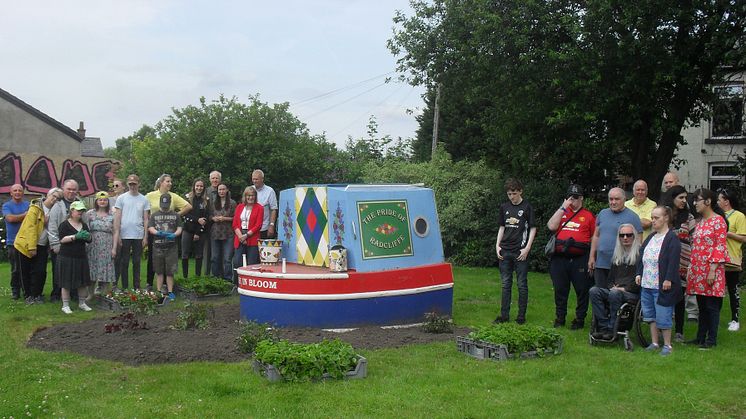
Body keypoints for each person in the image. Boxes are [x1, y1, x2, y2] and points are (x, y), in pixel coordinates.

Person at [547, 184, 596, 329]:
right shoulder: (562, 212)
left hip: (579, 258)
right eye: (570, 197)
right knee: (560, 289)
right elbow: (551, 226)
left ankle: (580, 319)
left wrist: (592, 257)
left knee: (582, 290)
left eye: (575, 197)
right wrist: (563, 207)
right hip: (560, 258)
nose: (572, 200)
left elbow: (594, 237)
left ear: (581, 198)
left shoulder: (588, 216)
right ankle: (560, 317)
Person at [635, 206, 681, 356]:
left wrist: (668, 279)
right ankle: (654, 342)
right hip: (647, 283)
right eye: (652, 217)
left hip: (662, 285)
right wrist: (639, 273)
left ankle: (667, 345)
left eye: (656, 218)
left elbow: (673, 261)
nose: (653, 221)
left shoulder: (671, 238)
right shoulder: (651, 237)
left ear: (666, 218)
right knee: (650, 315)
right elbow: (642, 255)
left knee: (664, 314)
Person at [687, 188, 729, 349]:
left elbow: (720, 246)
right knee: (702, 305)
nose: (695, 203)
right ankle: (700, 337)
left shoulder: (718, 221)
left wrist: (712, 270)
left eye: (697, 199)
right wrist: (692, 266)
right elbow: (696, 246)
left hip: (712, 270)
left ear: (708, 201)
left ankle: (711, 340)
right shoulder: (701, 222)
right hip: (699, 271)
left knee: (712, 306)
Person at [494, 178, 536, 324]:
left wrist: (527, 248)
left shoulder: (527, 207)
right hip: (505, 250)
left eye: (514, 193)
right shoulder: (504, 207)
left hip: (520, 251)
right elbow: (501, 227)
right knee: (506, 284)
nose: (511, 197)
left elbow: (532, 228)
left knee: (521, 284)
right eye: (509, 194)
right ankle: (504, 315)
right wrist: (497, 245)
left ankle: (521, 316)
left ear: (520, 191)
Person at [589, 224, 641, 339]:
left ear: (634, 236)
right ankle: (603, 327)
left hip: (631, 293)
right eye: (622, 235)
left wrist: (624, 289)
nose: (625, 238)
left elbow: (640, 280)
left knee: (614, 293)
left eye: (629, 235)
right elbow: (610, 279)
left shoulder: (640, 256)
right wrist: (612, 286)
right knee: (594, 291)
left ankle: (612, 328)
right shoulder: (617, 256)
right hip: (615, 290)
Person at [589, 187, 643, 290]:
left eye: (617, 199)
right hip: (601, 263)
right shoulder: (602, 213)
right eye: (611, 199)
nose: (613, 202)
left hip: (620, 266)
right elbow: (596, 236)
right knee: (599, 293)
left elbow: (638, 242)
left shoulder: (633, 217)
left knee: (614, 296)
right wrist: (592, 256)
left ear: (624, 199)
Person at [145, 174, 191, 291]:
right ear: (161, 183)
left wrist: (175, 216)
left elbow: (188, 206)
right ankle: (149, 283)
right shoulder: (150, 195)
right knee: (153, 257)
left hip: (170, 232)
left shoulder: (173, 196)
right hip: (155, 232)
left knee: (168, 257)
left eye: (171, 181)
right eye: (167, 181)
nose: (170, 183)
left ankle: (166, 285)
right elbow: (142, 209)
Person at [662, 185, 696, 342]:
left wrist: (692, 263)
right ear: (672, 198)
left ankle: (679, 331)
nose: (684, 201)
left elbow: (693, 240)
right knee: (665, 295)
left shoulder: (688, 218)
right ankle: (664, 327)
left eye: (685, 197)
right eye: (680, 197)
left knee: (679, 298)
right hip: (666, 260)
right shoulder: (664, 215)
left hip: (683, 262)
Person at [113, 175, 150, 290]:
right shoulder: (121, 198)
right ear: (128, 185)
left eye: (134, 184)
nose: (132, 186)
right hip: (124, 234)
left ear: (138, 184)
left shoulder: (144, 199)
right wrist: (117, 234)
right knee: (124, 262)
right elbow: (117, 218)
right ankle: (124, 287)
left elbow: (146, 219)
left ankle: (137, 287)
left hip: (138, 235)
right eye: (130, 184)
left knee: (137, 262)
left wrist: (145, 236)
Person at [56, 200, 93, 314]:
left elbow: (89, 239)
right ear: (72, 211)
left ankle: (82, 303)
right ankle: (65, 305)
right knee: (66, 281)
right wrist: (75, 236)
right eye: (78, 210)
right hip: (67, 256)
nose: (80, 213)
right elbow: (62, 239)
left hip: (81, 256)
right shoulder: (64, 225)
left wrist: (87, 237)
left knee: (82, 281)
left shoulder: (84, 225)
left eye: (82, 211)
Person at [717, 188, 746, 332]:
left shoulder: (739, 216)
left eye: (719, 199)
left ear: (726, 201)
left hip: (731, 259)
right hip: (717, 259)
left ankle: (735, 319)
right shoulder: (717, 215)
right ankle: (714, 318)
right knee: (717, 291)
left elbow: (743, 237)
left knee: (733, 289)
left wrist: (726, 233)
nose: (717, 202)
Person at [28, 188, 62, 303]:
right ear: (48, 195)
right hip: (35, 242)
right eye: (53, 196)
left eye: (58, 198)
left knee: (41, 271)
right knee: (32, 270)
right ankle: (31, 295)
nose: (55, 199)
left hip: (46, 244)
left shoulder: (56, 208)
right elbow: (31, 226)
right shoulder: (37, 206)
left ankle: (38, 294)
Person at [48, 179, 80, 301]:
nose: (71, 192)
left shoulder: (79, 203)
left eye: (74, 189)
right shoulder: (57, 204)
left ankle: (74, 293)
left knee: (75, 269)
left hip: (76, 244)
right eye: (69, 189)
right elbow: (52, 225)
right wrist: (55, 244)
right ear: (63, 189)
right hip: (60, 244)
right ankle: (56, 294)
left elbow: (84, 223)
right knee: (58, 270)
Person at [147, 193, 183, 300]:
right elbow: (150, 227)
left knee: (170, 271)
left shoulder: (176, 215)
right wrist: (157, 233)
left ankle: (170, 292)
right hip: (157, 246)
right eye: (163, 203)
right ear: (160, 203)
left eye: (166, 203)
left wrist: (174, 235)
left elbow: (180, 228)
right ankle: (159, 292)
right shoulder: (154, 215)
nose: (164, 205)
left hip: (171, 247)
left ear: (170, 203)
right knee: (159, 271)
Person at [84, 191, 116, 296]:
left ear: (108, 201)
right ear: (96, 201)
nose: (102, 202)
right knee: (92, 268)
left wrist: (114, 248)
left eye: (105, 200)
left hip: (107, 244)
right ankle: (90, 294)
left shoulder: (112, 214)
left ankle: (105, 294)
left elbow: (116, 232)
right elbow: (85, 229)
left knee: (106, 269)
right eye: (100, 200)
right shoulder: (89, 214)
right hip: (93, 245)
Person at [3, 184, 30, 300]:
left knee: (27, 268)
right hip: (12, 243)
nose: (18, 192)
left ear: (23, 192)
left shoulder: (28, 204)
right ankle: (15, 291)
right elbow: (10, 218)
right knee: (15, 269)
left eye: (20, 190)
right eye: (15, 190)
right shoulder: (6, 205)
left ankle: (27, 291)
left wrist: (22, 216)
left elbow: (33, 218)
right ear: (11, 193)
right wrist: (25, 215)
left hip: (27, 241)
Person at [232, 186, 264, 281]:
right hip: (239, 236)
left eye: (253, 195)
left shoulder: (260, 208)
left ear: (255, 196)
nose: (251, 197)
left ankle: (251, 283)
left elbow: (258, 225)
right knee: (237, 261)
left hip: (252, 237)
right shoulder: (239, 207)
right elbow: (235, 224)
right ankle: (237, 283)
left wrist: (246, 235)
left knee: (252, 263)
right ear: (245, 196)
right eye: (248, 195)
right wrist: (240, 236)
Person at [181, 178, 210, 278]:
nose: (199, 188)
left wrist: (198, 232)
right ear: (193, 186)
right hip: (187, 230)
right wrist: (197, 219)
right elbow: (184, 214)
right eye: (197, 186)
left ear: (204, 187)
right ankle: (185, 277)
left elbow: (206, 217)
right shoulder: (187, 198)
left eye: (201, 186)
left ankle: (197, 278)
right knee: (185, 254)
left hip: (201, 231)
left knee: (199, 255)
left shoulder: (206, 200)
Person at [211, 183, 236, 281]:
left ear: (227, 190)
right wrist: (213, 218)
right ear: (217, 191)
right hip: (215, 233)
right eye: (219, 189)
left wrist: (224, 218)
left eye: (223, 189)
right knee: (215, 258)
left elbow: (236, 218)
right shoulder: (213, 202)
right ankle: (216, 279)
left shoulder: (232, 203)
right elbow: (209, 215)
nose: (221, 191)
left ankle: (228, 280)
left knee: (227, 259)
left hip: (228, 233)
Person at [251, 169, 278, 239]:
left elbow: (273, 209)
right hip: (250, 228)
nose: (254, 181)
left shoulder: (270, 191)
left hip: (264, 227)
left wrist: (271, 225)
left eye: (256, 179)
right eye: (253, 179)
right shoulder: (250, 189)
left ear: (262, 179)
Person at [109, 178, 125, 286]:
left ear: (123, 187)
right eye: (113, 186)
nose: (114, 188)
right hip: (111, 232)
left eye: (117, 186)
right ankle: (102, 284)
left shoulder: (127, 199)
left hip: (125, 231)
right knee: (108, 258)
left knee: (120, 259)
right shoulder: (109, 200)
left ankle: (115, 283)